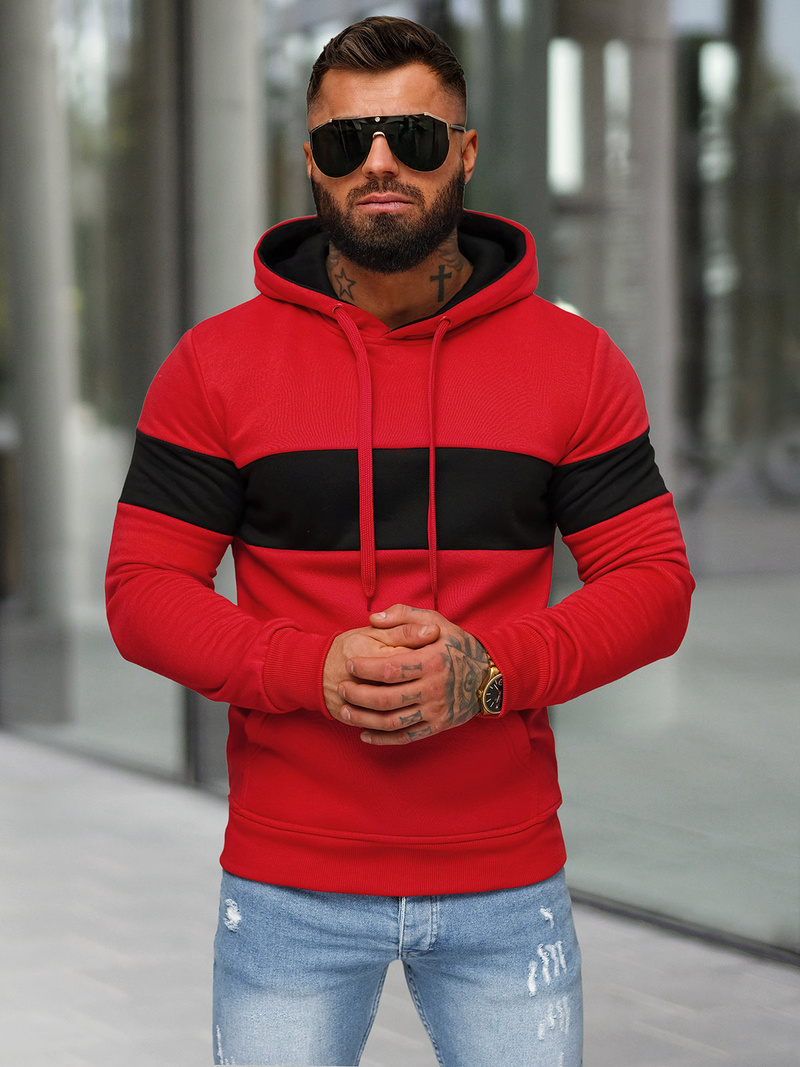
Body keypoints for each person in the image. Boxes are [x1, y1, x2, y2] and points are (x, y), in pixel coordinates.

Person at [106, 15, 694, 1067]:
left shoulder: (574, 362)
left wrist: (490, 669)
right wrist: (307, 664)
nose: (379, 163)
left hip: (504, 880)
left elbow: (653, 583)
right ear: (312, 161)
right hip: (288, 883)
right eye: (348, 141)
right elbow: (143, 588)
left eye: (413, 137)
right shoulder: (214, 365)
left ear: (464, 152)